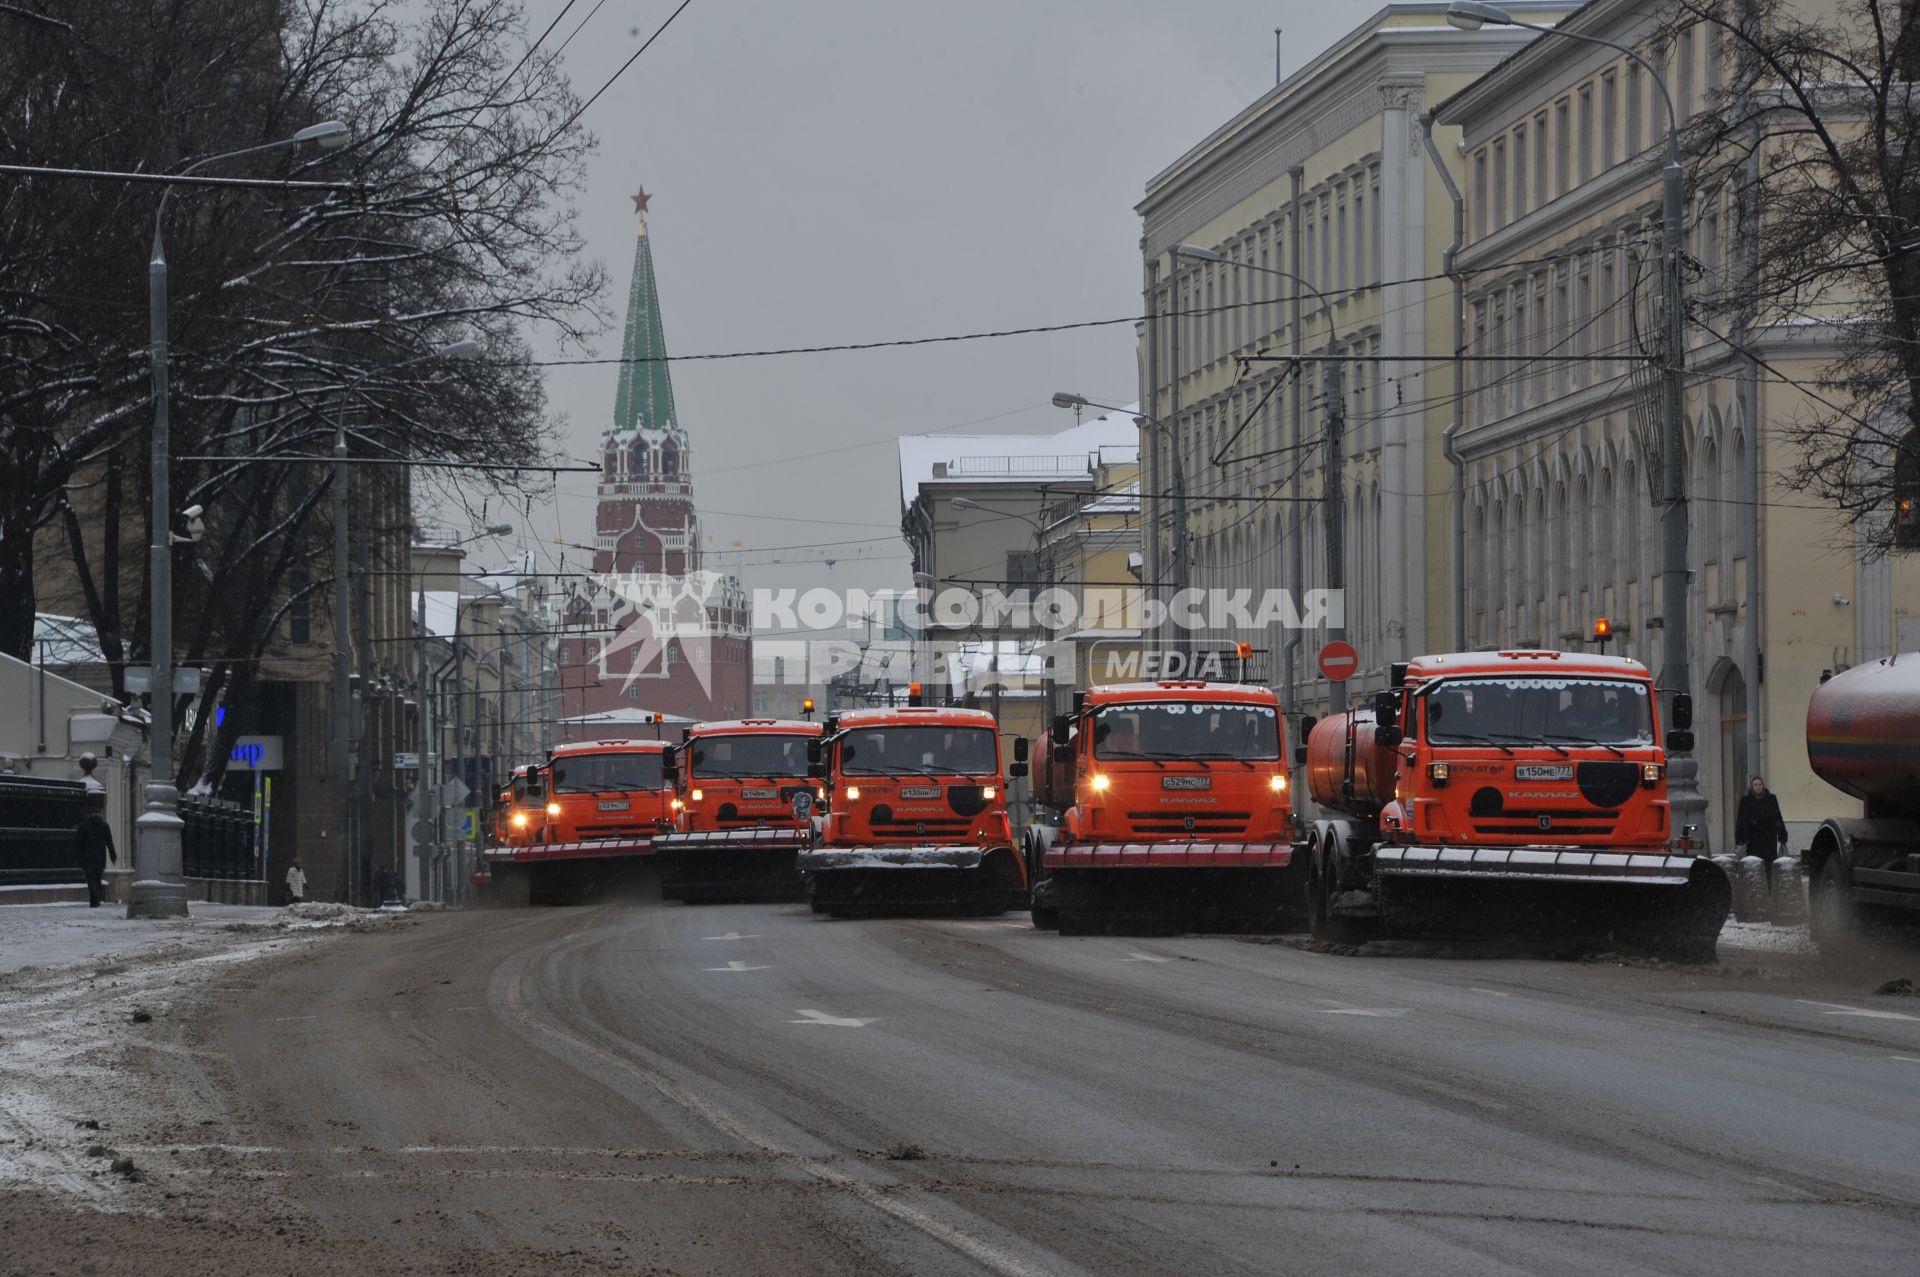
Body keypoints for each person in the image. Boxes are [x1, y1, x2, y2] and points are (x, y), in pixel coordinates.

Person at [72, 791, 116, 908]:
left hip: (87, 857)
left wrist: (78, 857)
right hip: (100, 856)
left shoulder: (83, 826)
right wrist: (113, 856)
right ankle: (95, 899)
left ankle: (94, 898)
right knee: (97, 878)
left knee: (90, 879)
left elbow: (78, 843)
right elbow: (109, 842)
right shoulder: (104, 825)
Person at [1734, 775, 1788, 863]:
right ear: (1752, 787)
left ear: (1763, 786)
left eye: (1759, 784)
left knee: (1769, 862)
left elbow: (1778, 817)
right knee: (1754, 863)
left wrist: (1782, 834)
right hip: (1753, 838)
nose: (1758, 787)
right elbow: (1741, 820)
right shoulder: (1745, 801)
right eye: (1755, 785)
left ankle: (1769, 876)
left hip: (1769, 837)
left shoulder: (1771, 799)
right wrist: (1740, 837)